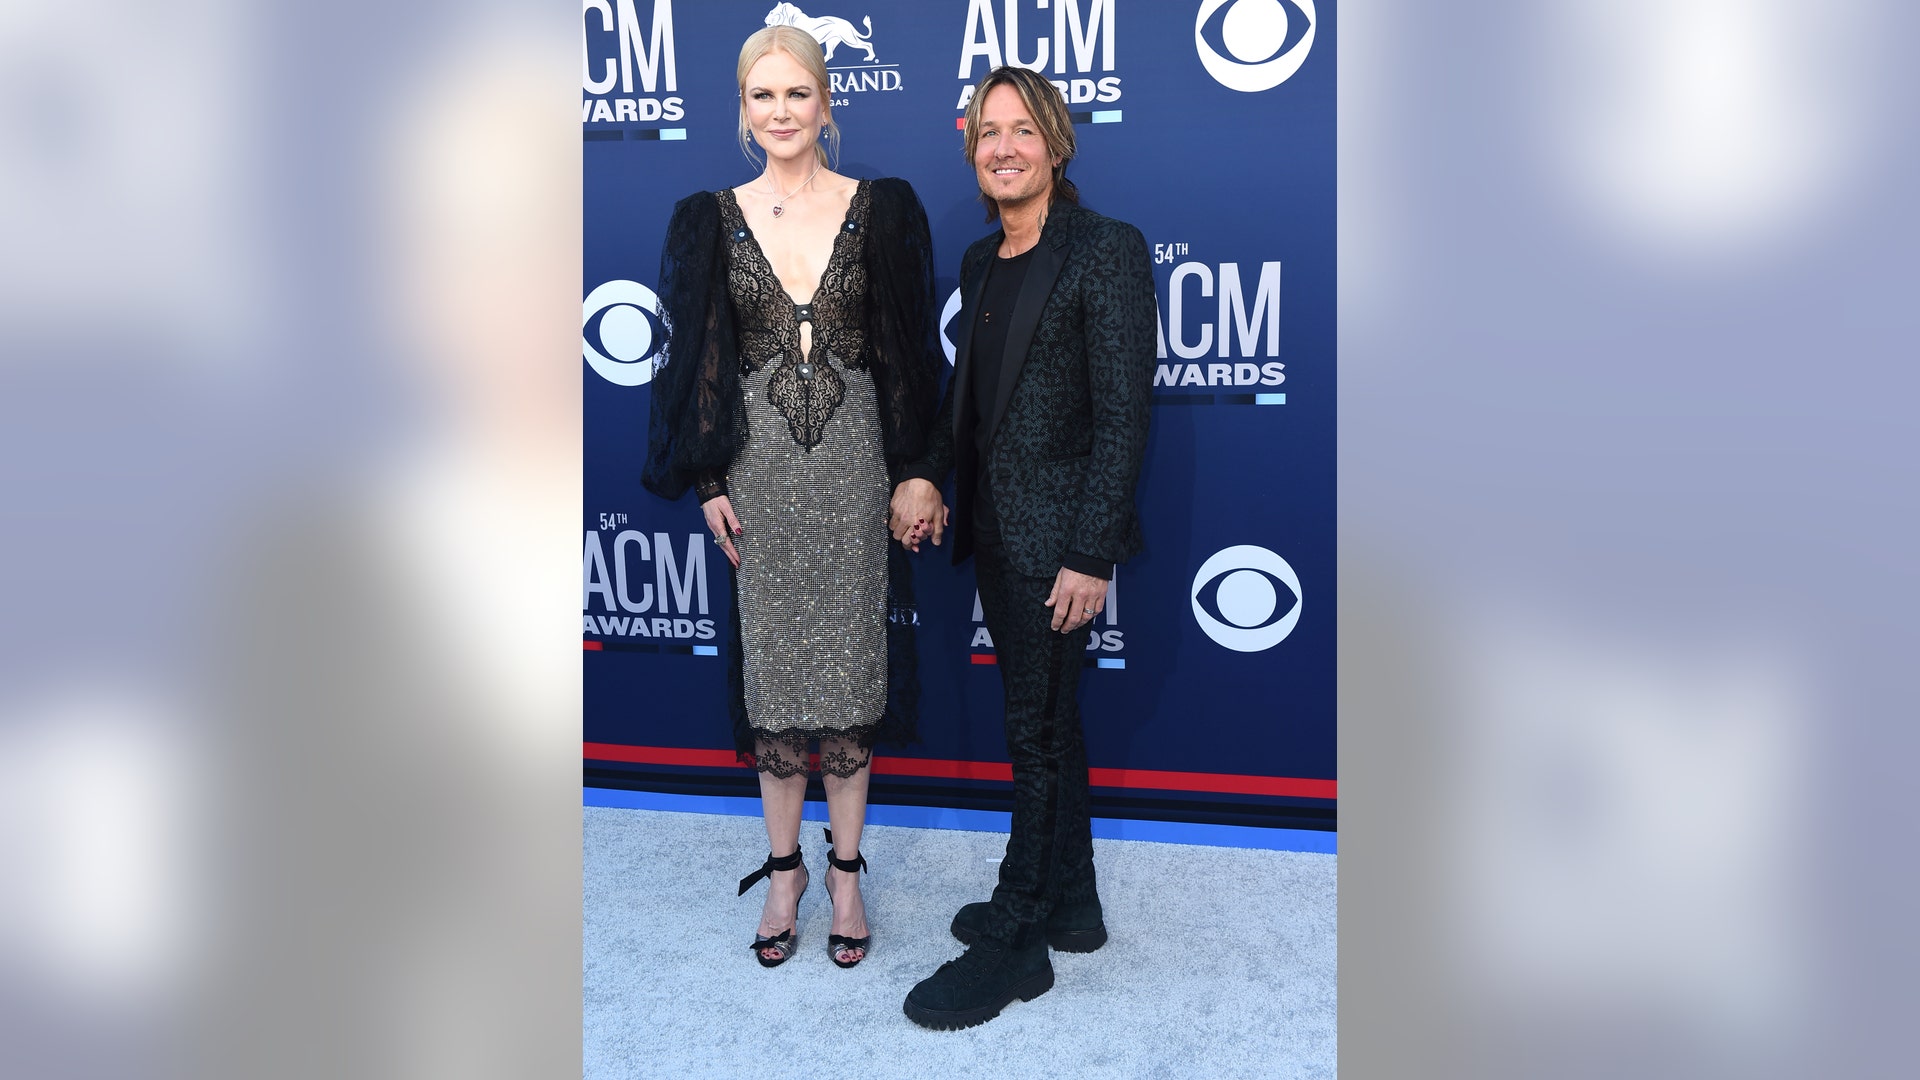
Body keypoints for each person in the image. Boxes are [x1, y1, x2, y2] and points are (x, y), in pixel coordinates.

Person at [641, 25, 940, 970]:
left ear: (826, 103)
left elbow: (909, 362)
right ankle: (785, 872)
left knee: (849, 682)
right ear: (742, 110)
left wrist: (916, 470)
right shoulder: (710, 218)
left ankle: (846, 871)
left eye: (796, 95)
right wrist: (707, 482)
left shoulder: (881, 209)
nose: (780, 113)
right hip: (761, 481)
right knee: (773, 688)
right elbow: (697, 368)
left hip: (854, 474)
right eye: (761, 97)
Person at [890, 65, 1155, 1028]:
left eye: (1022, 130)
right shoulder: (980, 260)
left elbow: (1125, 417)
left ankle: (1018, 930)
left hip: (1061, 545)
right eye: (986, 132)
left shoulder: (1106, 251)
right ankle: (1075, 905)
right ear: (973, 149)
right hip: (997, 535)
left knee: (1035, 732)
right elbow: (971, 399)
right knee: (1046, 721)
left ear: (1057, 144)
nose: (1002, 146)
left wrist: (1091, 552)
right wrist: (925, 470)